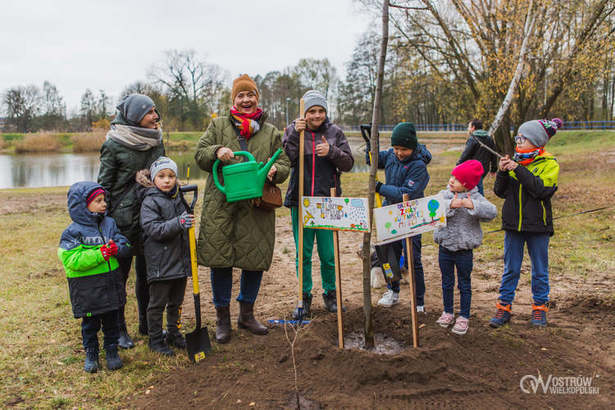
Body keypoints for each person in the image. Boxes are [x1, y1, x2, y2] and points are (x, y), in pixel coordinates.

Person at [194, 74, 290, 344]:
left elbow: (284, 162)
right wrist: (217, 150)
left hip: (255, 207)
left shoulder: (270, 132)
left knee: (254, 260)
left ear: (257, 98)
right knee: (220, 261)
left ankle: (246, 314)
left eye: (251, 95)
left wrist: (276, 170)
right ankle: (223, 319)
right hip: (222, 205)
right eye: (241, 95)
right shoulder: (218, 125)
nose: (246, 100)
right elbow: (200, 154)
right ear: (233, 100)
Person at [98, 94, 165, 348]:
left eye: (155, 111)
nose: (155, 116)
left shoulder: (156, 140)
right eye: (150, 112)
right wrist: (102, 220)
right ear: (136, 115)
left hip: (150, 216)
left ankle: (147, 325)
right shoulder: (114, 144)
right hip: (122, 220)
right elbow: (104, 185)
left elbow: (163, 170)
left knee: (148, 274)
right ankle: (118, 330)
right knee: (120, 277)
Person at [283, 90, 354, 319]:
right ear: (304, 113)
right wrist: (295, 133)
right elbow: (287, 159)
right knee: (302, 253)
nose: (316, 115)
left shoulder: (335, 133)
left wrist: (331, 151)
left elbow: (348, 163)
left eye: (320, 111)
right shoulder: (294, 131)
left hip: (327, 203)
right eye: (312, 111)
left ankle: (330, 294)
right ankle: (303, 297)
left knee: (328, 253)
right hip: (301, 200)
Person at [490, 118, 562, 328]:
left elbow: (541, 190)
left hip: (538, 227)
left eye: (523, 138)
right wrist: (503, 172)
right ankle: (504, 307)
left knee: (539, 269)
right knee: (510, 268)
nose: (518, 141)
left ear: (537, 142)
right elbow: (500, 192)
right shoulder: (515, 160)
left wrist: (518, 169)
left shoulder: (549, 163)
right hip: (513, 226)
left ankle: (539, 308)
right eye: (517, 137)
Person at [58, 182, 131, 373]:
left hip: (110, 284)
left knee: (111, 322)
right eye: (98, 201)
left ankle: (111, 351)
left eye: (104, 199)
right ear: (83, 206)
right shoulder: (72, 232)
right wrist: (101, 254)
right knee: (90, 325)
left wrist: (119, 248)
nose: (104, 204)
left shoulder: (110, 223)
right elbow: (72, 260)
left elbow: (122, 241)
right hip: (87, 290)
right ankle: (91, 353)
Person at [368, 122, 431, 310]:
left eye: (404, 149)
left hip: (411, 215)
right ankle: (393, 291)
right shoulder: (390, 156)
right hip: (390, 214)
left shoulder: (419, 165)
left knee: (413, 259)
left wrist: (381, 188)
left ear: (412, 147)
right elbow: (372, 160)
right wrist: (371, 142)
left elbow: (407, 193)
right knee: (390, 256)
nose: (399, 153)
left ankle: (418, 300)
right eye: (396, 148)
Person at [433, 160, 497, 335]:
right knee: (447, 282)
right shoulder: (444, 195)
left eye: (457, 179)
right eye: (452, 176)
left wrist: (473, 206)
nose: (452, 180)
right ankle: (447, 312)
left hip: (464, 252)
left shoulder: (475, 197)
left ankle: (464, 316)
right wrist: (448, 206)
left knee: (464, 283)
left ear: (467, 184)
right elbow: (431, 208)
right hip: (445, 248)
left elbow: (492, 212)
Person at [138, 157, 191, 356]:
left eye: (171, 176)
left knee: (176, 302)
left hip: (180, 261)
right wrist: (179, 222)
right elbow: (154, 229)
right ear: (153, 179)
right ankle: (155, 339)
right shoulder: (150, 201)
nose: (167, 180)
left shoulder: (179, 197)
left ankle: (174, 333)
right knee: (157, 304)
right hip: (161, 263)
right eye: (161, 176)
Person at [457, 119, 498, 195]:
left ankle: (481, 204)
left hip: (474, 168)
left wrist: (458, 165)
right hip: (484, 168)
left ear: (473, 127)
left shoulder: (473, 139)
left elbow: (466, 154)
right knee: (474, 187)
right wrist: (493, 169)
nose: (468, 129)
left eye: (469, 127)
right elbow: (493, 155)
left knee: (478, 190)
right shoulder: (489, 138)